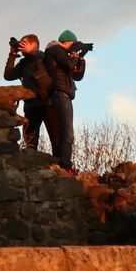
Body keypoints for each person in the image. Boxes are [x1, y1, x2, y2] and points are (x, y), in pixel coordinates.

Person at [3, 34, 59, 152]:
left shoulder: (42, 57)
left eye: (25, 43)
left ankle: (60, 166)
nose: (21, 46)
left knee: (56, 138)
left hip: (47, 102)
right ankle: (32, 164)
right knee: (30, 142)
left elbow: (38, 57)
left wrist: (30, 52)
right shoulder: (24, 63)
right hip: (30, 104)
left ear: (34, 45)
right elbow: (8, 75)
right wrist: (13, 54)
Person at [43, 29, 88, 172]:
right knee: (67, 132)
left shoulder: (63, 54)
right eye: (73, 44)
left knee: (64, 131)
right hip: (60, 93)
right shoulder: (55, 49)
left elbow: (77, 76)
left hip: (64, 94)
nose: (75, 47)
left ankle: (62, 163)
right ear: (67, 42)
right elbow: (69, 65)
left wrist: (81, 59)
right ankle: (66, 165)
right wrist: (74, 55)